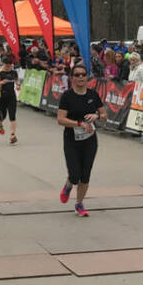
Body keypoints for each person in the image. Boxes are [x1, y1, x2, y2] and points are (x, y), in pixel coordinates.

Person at [57, 63, 104, 217]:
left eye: (83, 74)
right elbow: (61, 119)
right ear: (72, 78)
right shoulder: (67, 96)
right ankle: (69, 185)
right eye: (77, 75)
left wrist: (97, 116)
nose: (80, 77)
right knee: (74, 173)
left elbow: (104, 116)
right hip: (71, 139)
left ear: (87, 77)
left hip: (90, 140)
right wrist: (79, 124)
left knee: (85, 174)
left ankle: (79, 204)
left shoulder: (93, 95)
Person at [0, 52, 19, 145]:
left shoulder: (14, 72)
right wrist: (1, 82)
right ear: (3, 65)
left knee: (12, 115)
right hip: (0, 97)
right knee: (3, 115)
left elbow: (16, 79)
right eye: (7, 66)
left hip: (11, 96)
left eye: (10, 66)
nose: (8, 68)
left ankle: (13, 135)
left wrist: (18, 84)